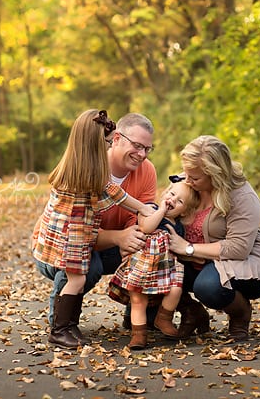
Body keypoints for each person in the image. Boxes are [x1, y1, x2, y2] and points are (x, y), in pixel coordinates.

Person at [32, 109, 154, 349]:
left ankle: (67, 326)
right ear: (96, 145)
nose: (108, 147)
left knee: (77, 279)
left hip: (72, 235)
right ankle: (60, 328)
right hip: (72, 236)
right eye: (107, 143)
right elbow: (114, 194)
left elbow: (115, 194)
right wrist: (144, 208)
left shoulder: (75, 167)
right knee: (77, 279)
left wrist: (142, 209)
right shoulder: (89, 175)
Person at [164, 135, 260, 341]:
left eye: (195, 178)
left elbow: (238, 248)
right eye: (187, 174)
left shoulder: (242, 196)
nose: (186, 180)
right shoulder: (188, 182)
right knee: (152, 267)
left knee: (208, 288)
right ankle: (193, 312)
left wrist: (189, 249)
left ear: (215, 174)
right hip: (197, 260)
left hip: (243, 263)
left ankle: (240, 313)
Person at [108, 181, 200, 349]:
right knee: (138, 300)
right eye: (171, 194)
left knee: (176, 289)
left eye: (180, 201)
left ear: (185, 211)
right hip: (142, 264)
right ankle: (138, 334)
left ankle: (163, 318)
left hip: (166, 268)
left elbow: (177, 247)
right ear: (165, 193)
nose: (172, 200)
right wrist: (162, 211)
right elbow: (146, 227)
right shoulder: (149, 209)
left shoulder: (178, 226)